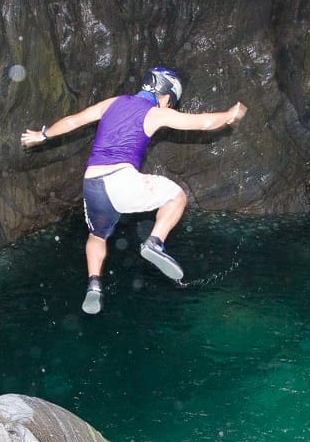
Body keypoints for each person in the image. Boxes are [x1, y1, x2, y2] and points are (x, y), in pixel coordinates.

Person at [20, 67, 247, 314]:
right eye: (169, 101)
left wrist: (43, 135)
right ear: (164, 95)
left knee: (97, 236)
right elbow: (203, 123)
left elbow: (74, 120)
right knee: (177, 197)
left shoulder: (112, 102)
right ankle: (155, 242)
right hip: (120, 181)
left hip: (93, 184)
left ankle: (94, 284)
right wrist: (229, 115)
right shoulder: (154, 113)